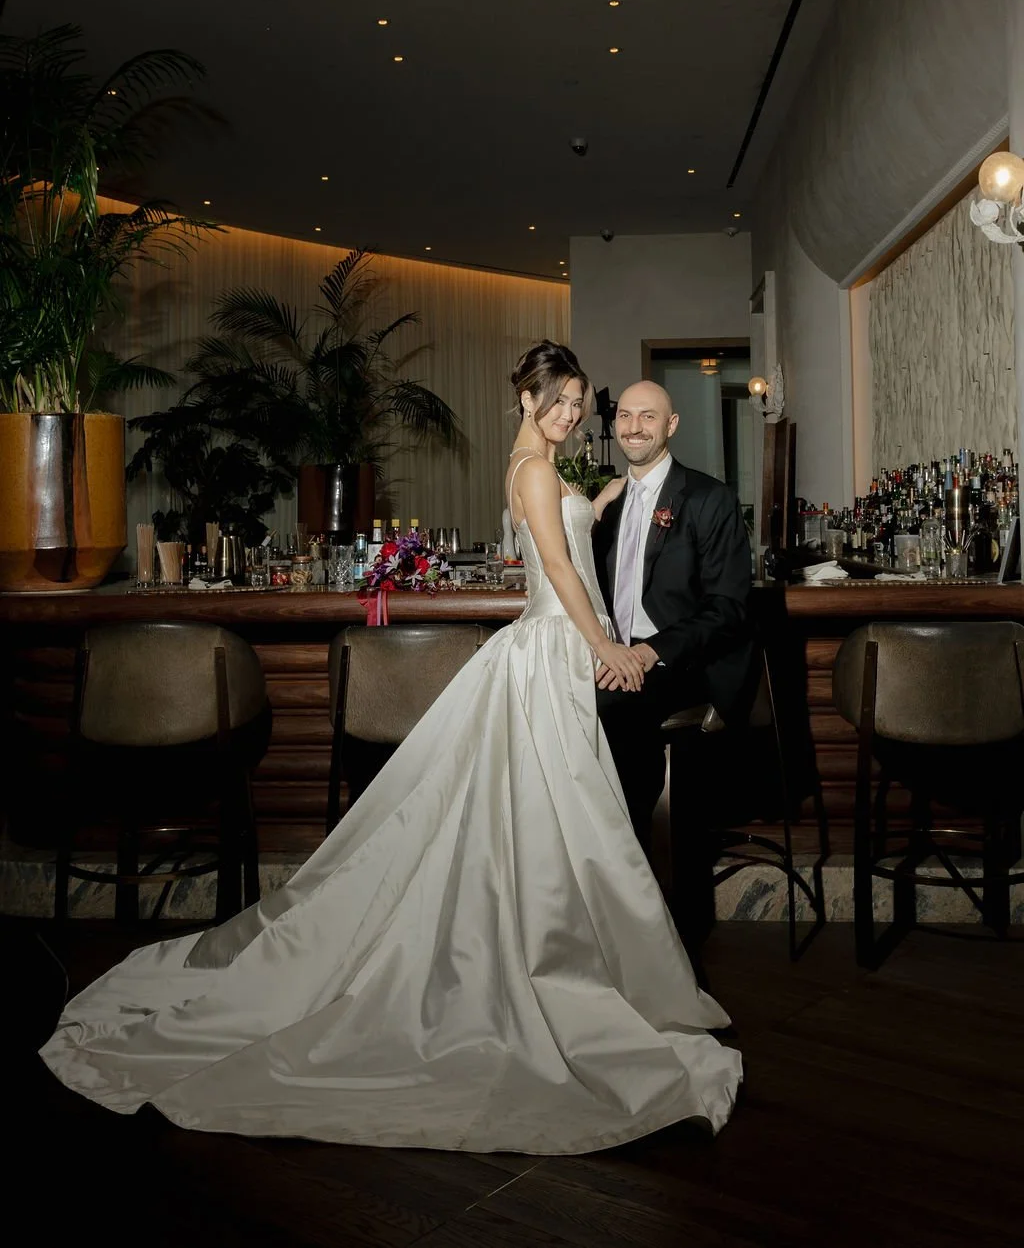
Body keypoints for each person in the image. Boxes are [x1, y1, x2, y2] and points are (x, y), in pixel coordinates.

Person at [40, 341, 741, 1154]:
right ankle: (545, 974)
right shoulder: (540, 473)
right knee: (561, 826)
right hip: (554, 650)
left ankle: (549, 962)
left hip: (542, 650)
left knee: (551, 827)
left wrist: (606, 497)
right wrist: (607, 649)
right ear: (525, 400)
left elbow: (562, 537)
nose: (572, 413)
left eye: (581, 401)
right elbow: (558, 565)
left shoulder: (532, 469)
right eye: (559, 400)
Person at [593, 381, 756, 937]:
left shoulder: (708, 498)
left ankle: (645, 915)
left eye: (648, 416)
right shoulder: (606, 500)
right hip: (614, 659)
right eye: (625, 415)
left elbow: (729, 607)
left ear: (672, 425)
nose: (633, 426)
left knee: (611, 715)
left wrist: (647, 651)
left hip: (681, 666)